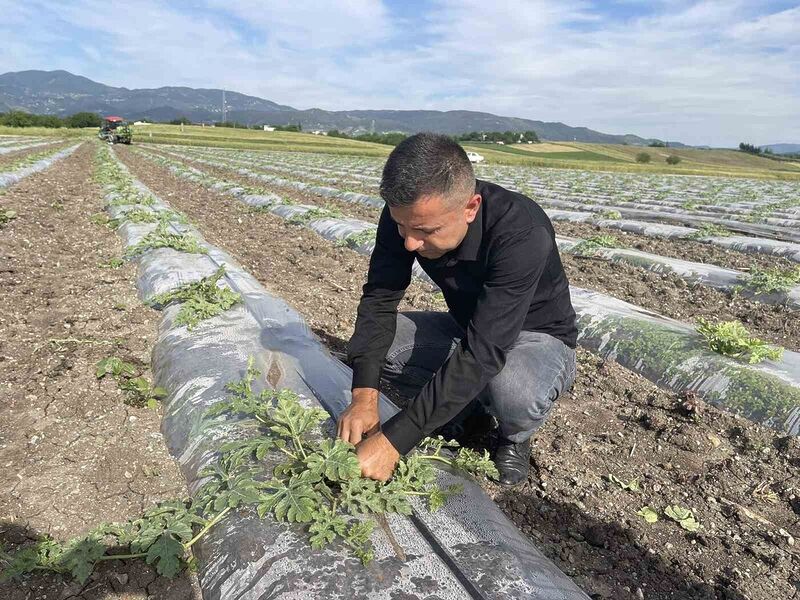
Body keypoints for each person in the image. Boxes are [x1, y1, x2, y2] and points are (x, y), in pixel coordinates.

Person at [337, 132, 577, 486]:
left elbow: (484, 351)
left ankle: (514, 437)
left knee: (513, 393)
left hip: (537, 338)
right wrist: (364, 396)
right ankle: (467, 406)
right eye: (401, 226)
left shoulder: (522, 231)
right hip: (469, 327)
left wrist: (394, 440)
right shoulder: (408, 216)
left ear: (470, 207)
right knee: (373, 351)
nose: (409, 242)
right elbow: (380, 299)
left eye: (425, 231)